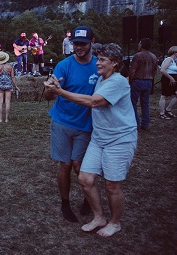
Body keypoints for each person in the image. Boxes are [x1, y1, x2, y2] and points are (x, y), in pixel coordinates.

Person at [45, 43, 137, 237]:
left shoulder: (118, 81)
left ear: (115, 63)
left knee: (112, 186)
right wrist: (55, 85)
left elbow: (94, 102)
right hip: (99, 138)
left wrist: (60, 92)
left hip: (119, 140)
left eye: (103, 59)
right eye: (98, 58)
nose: (98, 62)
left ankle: (115, 222)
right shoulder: (102, 79)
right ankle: (99, 217)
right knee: (85, 179)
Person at [43, 25, 98, 223]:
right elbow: (50, 95)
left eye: (83, 44)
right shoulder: (64, 65)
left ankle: (87, 198)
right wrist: (50, 88)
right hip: (62, 121)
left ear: (92, 42)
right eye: (76, 44)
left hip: (85, 124)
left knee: (79, 165)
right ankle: (65, 203)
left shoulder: (98, 66)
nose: (79, 47)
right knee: (65, 164)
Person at [128, 38, 158, 130]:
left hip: (137, 81)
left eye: (139, 43)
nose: (138, 45)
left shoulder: (138, 56)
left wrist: (130, 81)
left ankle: (136, 123)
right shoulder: (154, 56)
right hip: (148, 81)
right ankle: (145, 124)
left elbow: (132, 70)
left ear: (142, 45)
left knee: (133, 103)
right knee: (145, 103)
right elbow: (155, 71)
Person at [0, 52, 19, 123]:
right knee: (7, 102)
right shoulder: (10, 66)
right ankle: (6, 119)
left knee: (0, 102)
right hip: (8, 85)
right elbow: (13, 77)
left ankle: (0, 119)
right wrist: (16, 86)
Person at [158, 46, 177, 119]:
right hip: (167, 78)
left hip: (173, 78)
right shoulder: (169, 60)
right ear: (175, 52)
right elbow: (162, 70)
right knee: (164, 96)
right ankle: (162, 113)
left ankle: (168, 109)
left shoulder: (174, 61)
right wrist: (171, 78)